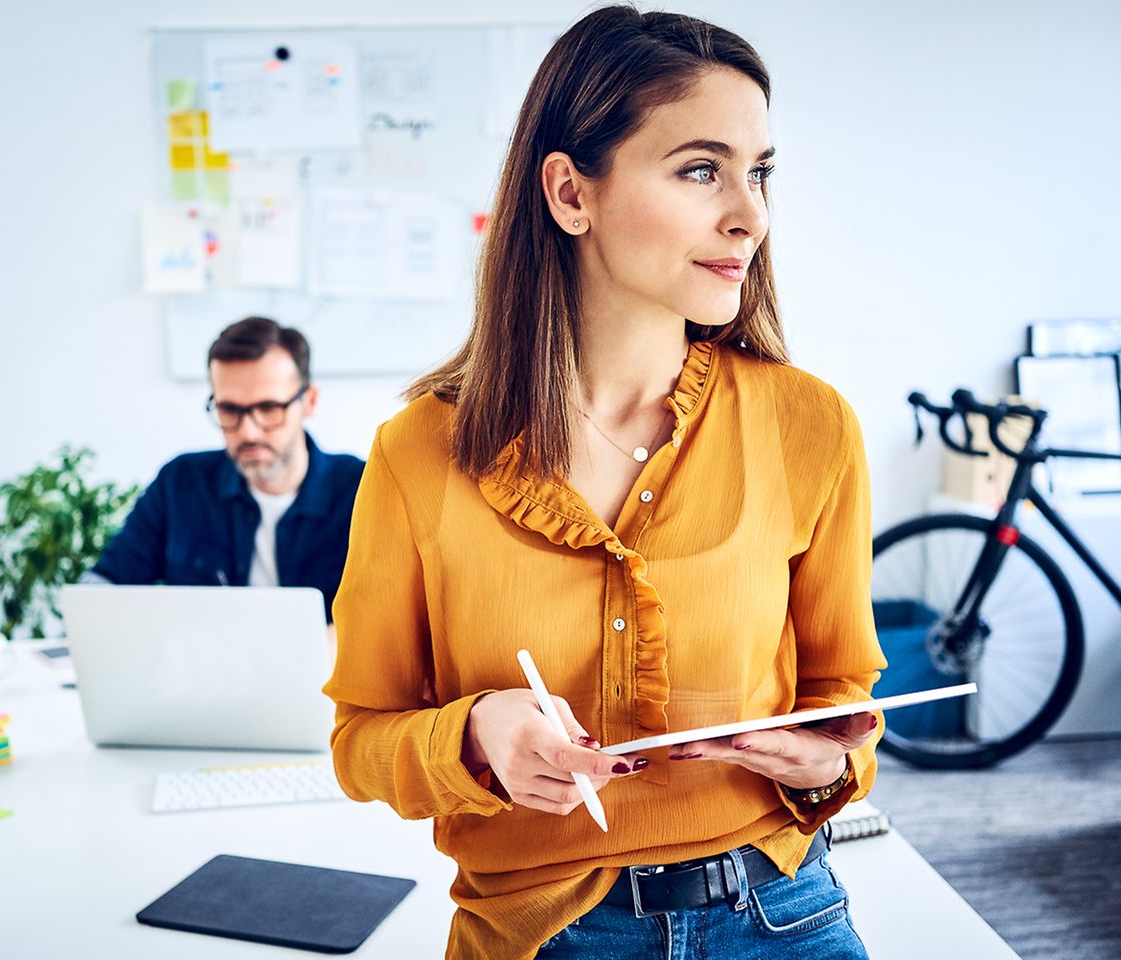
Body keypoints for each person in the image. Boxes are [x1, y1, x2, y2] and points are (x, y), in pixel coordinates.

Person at [324, 7, 886, 959]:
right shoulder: (420, 451)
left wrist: (830, 754)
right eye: (701, 169)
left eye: (759, 173)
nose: (749, 214)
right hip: (540, 933)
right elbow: (361, 741)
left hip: (781, 916)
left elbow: (848, 695)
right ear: (570, 193)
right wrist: (476, 735)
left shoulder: (809, 423)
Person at [89, 316, 364, 625]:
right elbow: (105, 586)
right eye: (229, 410)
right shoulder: (181, 483)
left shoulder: (362, 491)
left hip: (323, 674)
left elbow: (391, 622)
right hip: (201, 671)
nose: (248, 432)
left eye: (269, 409)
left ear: (309, 401)